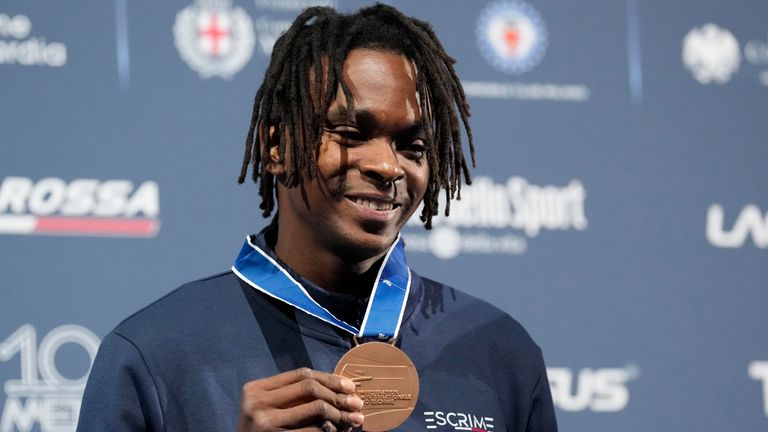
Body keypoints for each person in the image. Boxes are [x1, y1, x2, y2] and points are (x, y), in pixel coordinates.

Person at [77, 4, 557, 432]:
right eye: (351, 132)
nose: (388, 167)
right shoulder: (153, 353)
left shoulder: (501, 354)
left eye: (412, 147)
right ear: (276, 146)